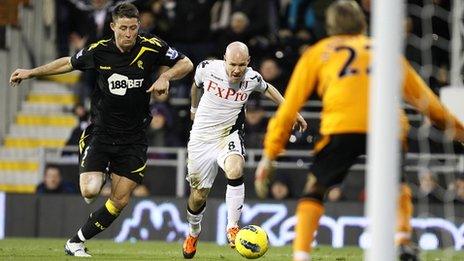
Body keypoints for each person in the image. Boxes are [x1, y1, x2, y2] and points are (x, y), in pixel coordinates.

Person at [253, 1, 464, 261]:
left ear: (330, 27)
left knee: (316, 187)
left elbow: (288, 108)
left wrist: (270, 153)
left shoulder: (318, 52)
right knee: (396, 184)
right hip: (387, 126)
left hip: (342, 125)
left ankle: (301, 254)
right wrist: (461, 134)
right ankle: (402, 240)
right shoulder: (386, 52)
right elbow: (427, 103)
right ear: (363, 23)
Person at [10, 2, 193, 257]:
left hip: (134, 138)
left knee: (120, 201)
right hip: (102, 133)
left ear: (139, 26)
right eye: (123, 28)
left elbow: (186, 63)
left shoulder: (152, 46)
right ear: (112, 27)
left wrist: (165, 76)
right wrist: (31, 72)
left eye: (133, 28)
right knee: (90, 191)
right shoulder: (99, 51)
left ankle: (75, 242)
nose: (129, 34)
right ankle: (100, 165)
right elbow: (68, 63)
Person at [182, 41, 307, 259]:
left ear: (248, 62)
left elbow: (269, 89)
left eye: (241, 64)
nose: (237, 70)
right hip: (201, 140)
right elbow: (195, 86)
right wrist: (193, 109)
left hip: (228, 135)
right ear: (224, 59)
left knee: (235, 168)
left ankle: (232, 227)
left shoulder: (251, 78)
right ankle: (193, 232)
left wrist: (291, 111)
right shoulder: (207, 68)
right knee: (198, 196)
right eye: (232, 64)